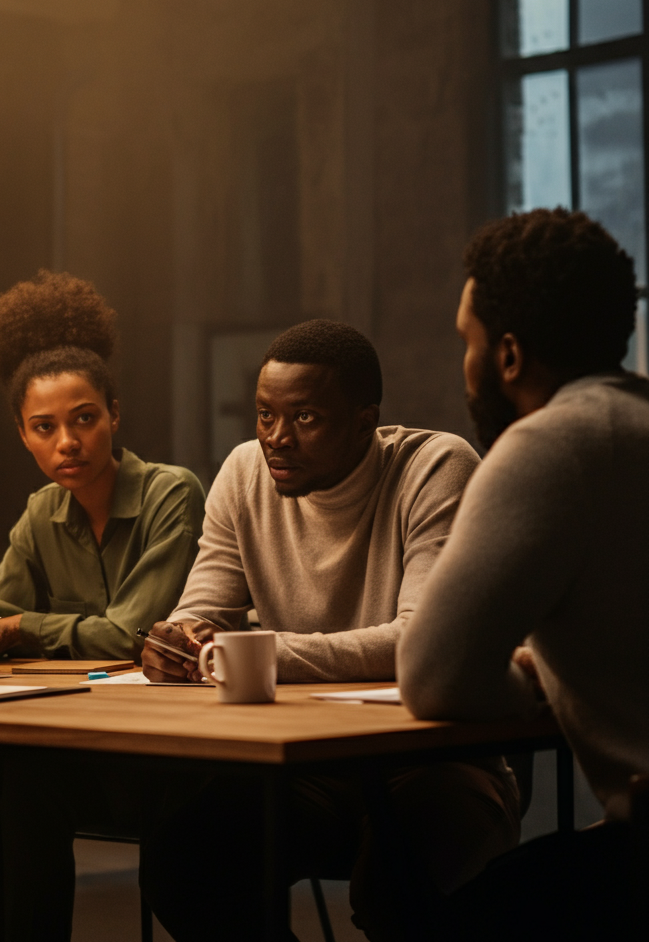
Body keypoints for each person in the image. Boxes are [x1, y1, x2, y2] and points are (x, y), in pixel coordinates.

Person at [139, 319, 522, 942]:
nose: (276, 439)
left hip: (434, 764)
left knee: (395, 894)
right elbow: (201, 612)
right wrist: (176, 642)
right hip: (309, 768)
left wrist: (256, 655)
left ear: (365, 420)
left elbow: (420, 642)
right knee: (181, 865)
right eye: (265, 416)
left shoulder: (436, 466)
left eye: (306, 418)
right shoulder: (243, 474)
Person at [0, 269, 206, 942]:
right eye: (44, 427)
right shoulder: (42, 510)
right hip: (84, 744)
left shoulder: (173, 493)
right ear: (22, 435)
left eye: (84, 419)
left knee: (28, 774)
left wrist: (19, 629)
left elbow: (129, 633)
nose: (68, 443)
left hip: (177, 757)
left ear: (114, 412)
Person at [398, 208, 649, 941]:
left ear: (508, 356)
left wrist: (525, 682)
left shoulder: (551, 442)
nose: (465, 366)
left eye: (466, 344)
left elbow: (435, 676)